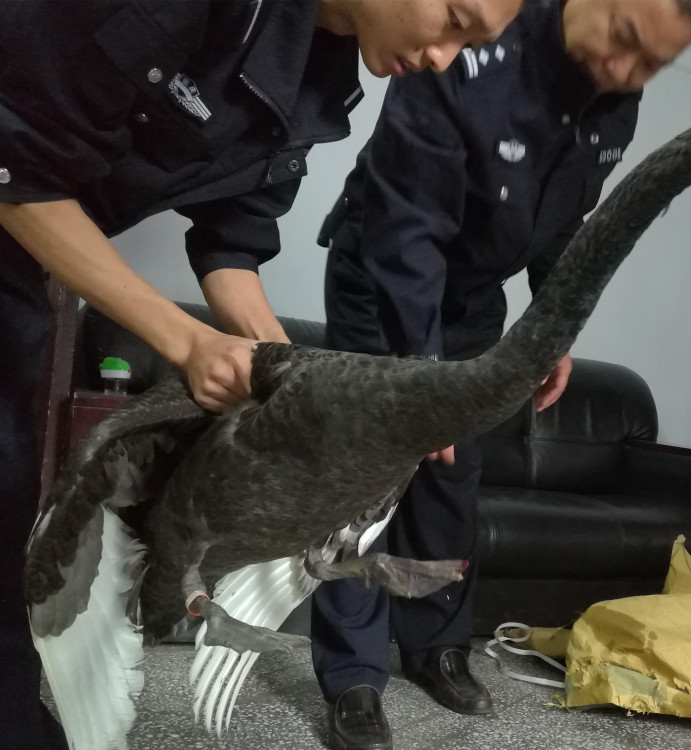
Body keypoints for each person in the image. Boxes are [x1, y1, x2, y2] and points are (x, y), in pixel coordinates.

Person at [0, 1, 522, 748]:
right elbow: (15, 165)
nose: (444, 58)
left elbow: (232, 242)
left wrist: (302, 387)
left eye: (471, 43)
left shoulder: (322, 71)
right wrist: (187, 341)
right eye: (454, 19)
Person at [313, 0, 691, 747]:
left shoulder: (615, 100)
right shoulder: (464, 45)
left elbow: (562, 224)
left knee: (451, 480)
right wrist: (426, 383)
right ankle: (353, 674)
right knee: (362, 478)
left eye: (652, 65)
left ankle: (434, 646)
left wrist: (550, 331)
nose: (625, 71)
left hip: (473, 302)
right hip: (381, 284)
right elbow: (407, 235)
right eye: (624, 40)